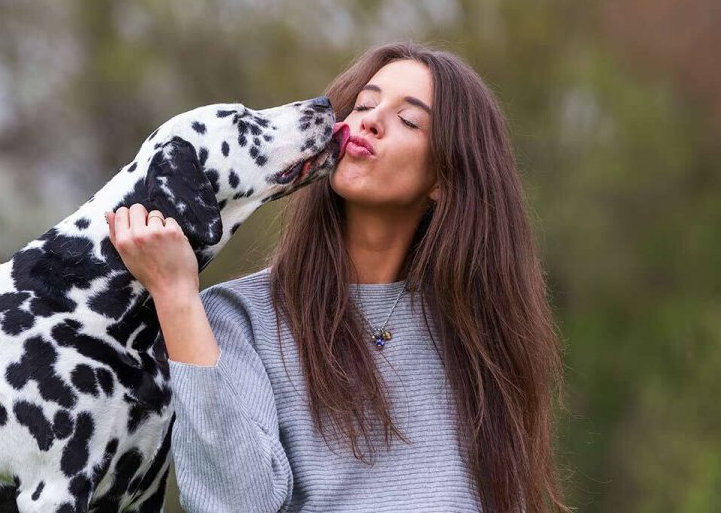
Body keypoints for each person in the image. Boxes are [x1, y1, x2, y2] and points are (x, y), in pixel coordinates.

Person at [105, 40, 571, 513]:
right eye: (364, 104)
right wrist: (177, 296)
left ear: (444, 181)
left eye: (409, 120)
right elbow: (235, 503)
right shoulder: (240, 318)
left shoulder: (477, 330)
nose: (369, 120)